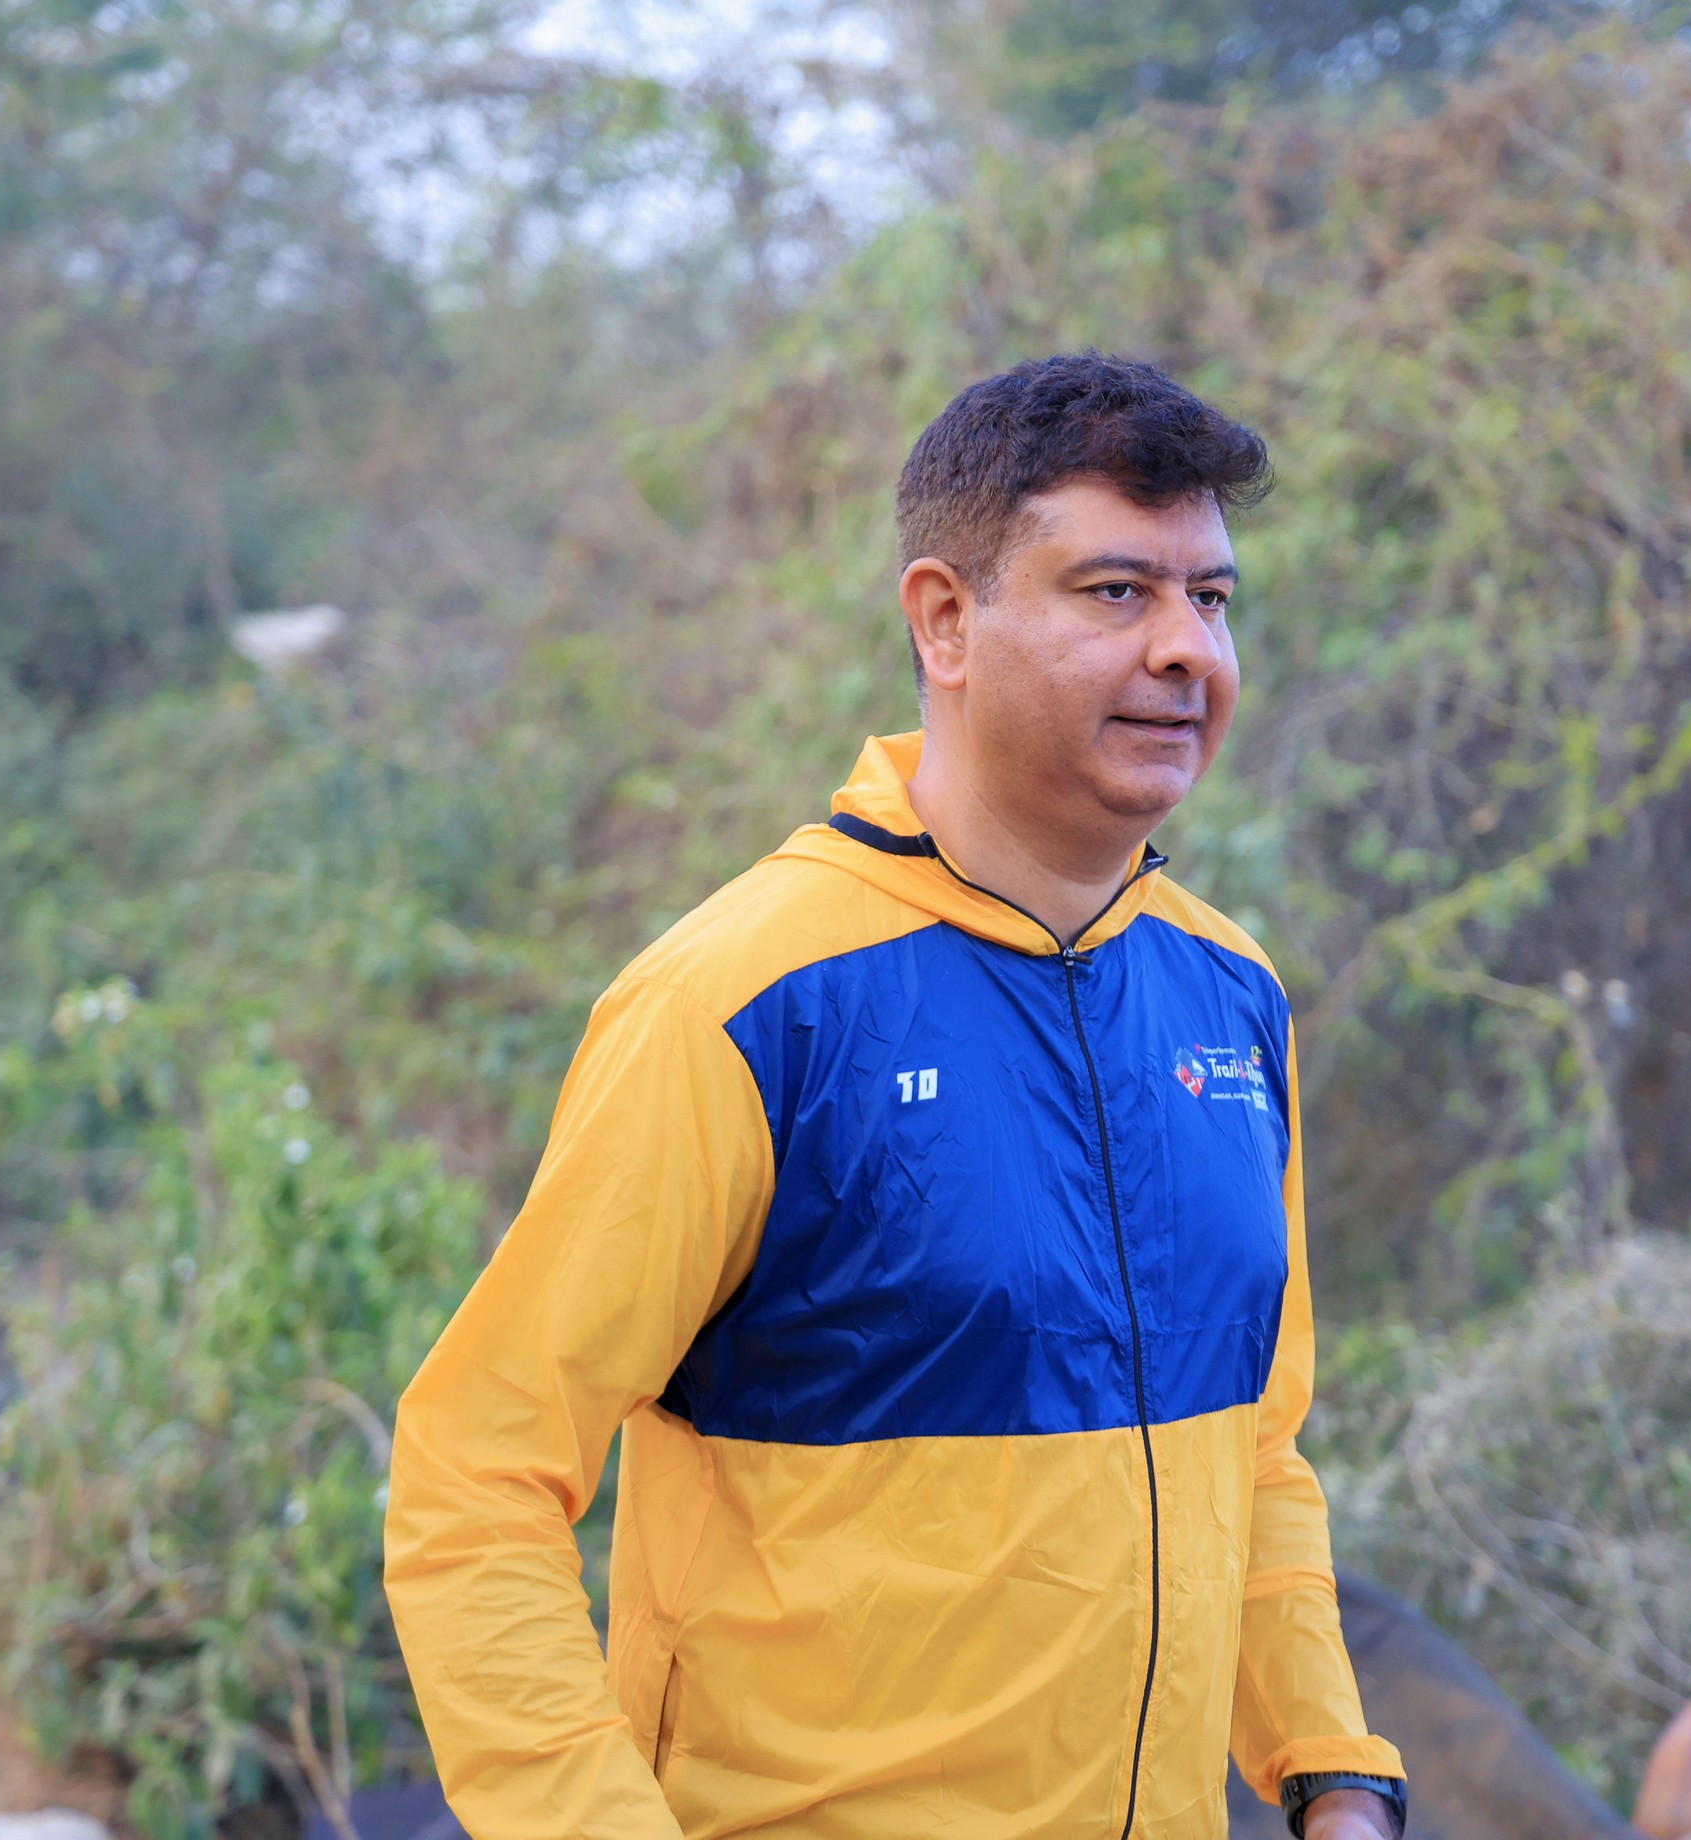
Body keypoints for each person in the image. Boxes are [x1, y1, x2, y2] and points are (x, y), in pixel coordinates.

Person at [384, 351, 1408, 1840]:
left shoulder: (1230, 998)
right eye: (1117, 592)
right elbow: (476, 1481)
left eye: (1211, 597)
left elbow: (1252, 1446)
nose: (1188, 649)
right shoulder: (743, 1003)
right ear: (945, 621)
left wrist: (1330, 1769)